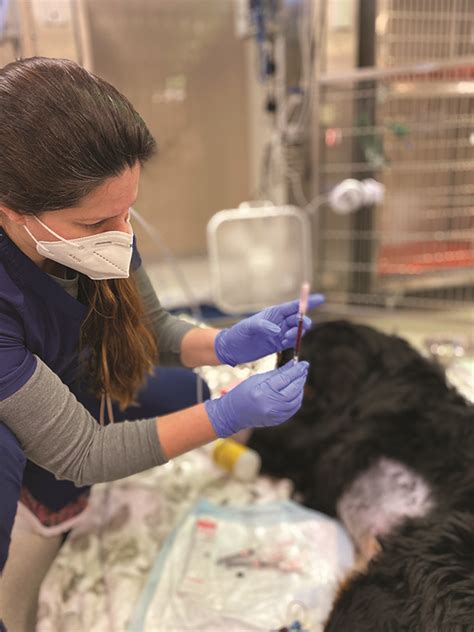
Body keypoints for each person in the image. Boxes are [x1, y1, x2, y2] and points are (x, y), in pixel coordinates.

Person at [0, 56, 323, 629]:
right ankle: (45, 509)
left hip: (89, 378)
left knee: (189, 387)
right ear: (12, 214)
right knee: (38, 468)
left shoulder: (100, 225)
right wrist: (223, 415)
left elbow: (151, 327)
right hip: (35, 430)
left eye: (128, 210)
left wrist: (229, 344)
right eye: (97, 224)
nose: (122, 235)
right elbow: (82, 451)